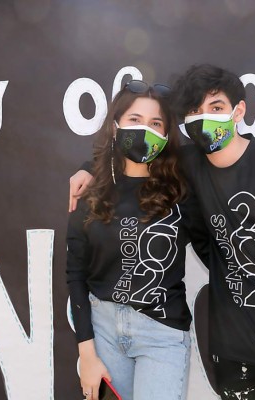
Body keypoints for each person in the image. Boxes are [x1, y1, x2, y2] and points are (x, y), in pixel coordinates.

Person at [69, 69, 255, 400]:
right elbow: (131, 151)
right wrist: (88, 168)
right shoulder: (187, 165)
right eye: (194, 110)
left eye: (216, 108)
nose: (205, 119)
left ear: (239, 111)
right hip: (233, 350)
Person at [66, 80, 209, 400]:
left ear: (166, 134)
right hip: (102, 331)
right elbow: (75, 275)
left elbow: (217, 252)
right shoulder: (91, 191)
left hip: (161, 335)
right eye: (135, 119)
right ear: (115, 126)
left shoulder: (180, 191)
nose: (145, 130)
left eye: (155, 123)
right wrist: (87, 355)